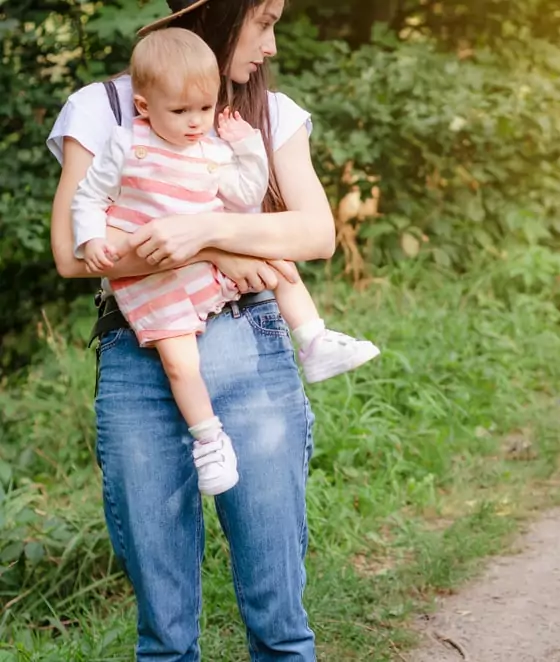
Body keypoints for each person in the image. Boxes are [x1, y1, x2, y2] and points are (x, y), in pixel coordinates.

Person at [47, 0, 333, 658]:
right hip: (141, 354)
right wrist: (224, 252)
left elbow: (315, 234)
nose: (271, 46)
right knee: (166, 634)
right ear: (219, 13)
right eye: (263, 23)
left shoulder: (270, 115)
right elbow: (71, 250)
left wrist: (200, 232)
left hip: (250, 347)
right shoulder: (106, 108)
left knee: (280, 621)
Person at [71, 27, 379, 497]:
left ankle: (314, 340)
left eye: (205, 108)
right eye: (181, 111)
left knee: (278, 263)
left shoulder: (210, 145)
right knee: (181, 363)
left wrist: (247, 148)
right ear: (144, 107)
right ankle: (210, 441)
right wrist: (92, 236)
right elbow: (89, 199)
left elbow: (245, 195)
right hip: (157, 283)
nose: (196, 121)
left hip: (214, 274)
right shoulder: (124, 143)